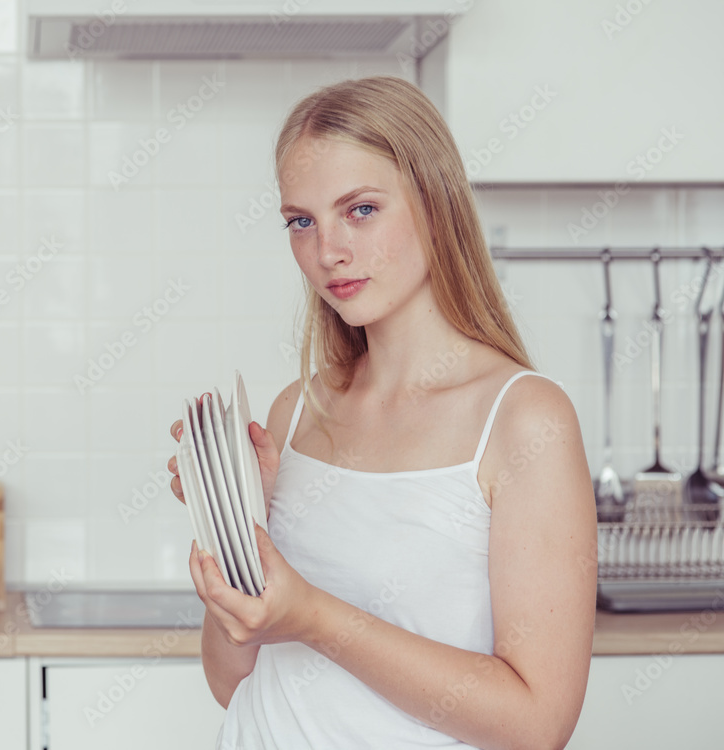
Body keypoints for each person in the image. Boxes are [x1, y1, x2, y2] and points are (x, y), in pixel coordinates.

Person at [167, 75, 596, 750]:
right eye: (301, 221)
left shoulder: (523, 421)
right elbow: (231, 683)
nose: (327, 251)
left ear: (435, 202)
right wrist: (236, 524)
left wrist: (313, 617)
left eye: (360, 209)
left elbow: (537, 725)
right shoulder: (295, 411)